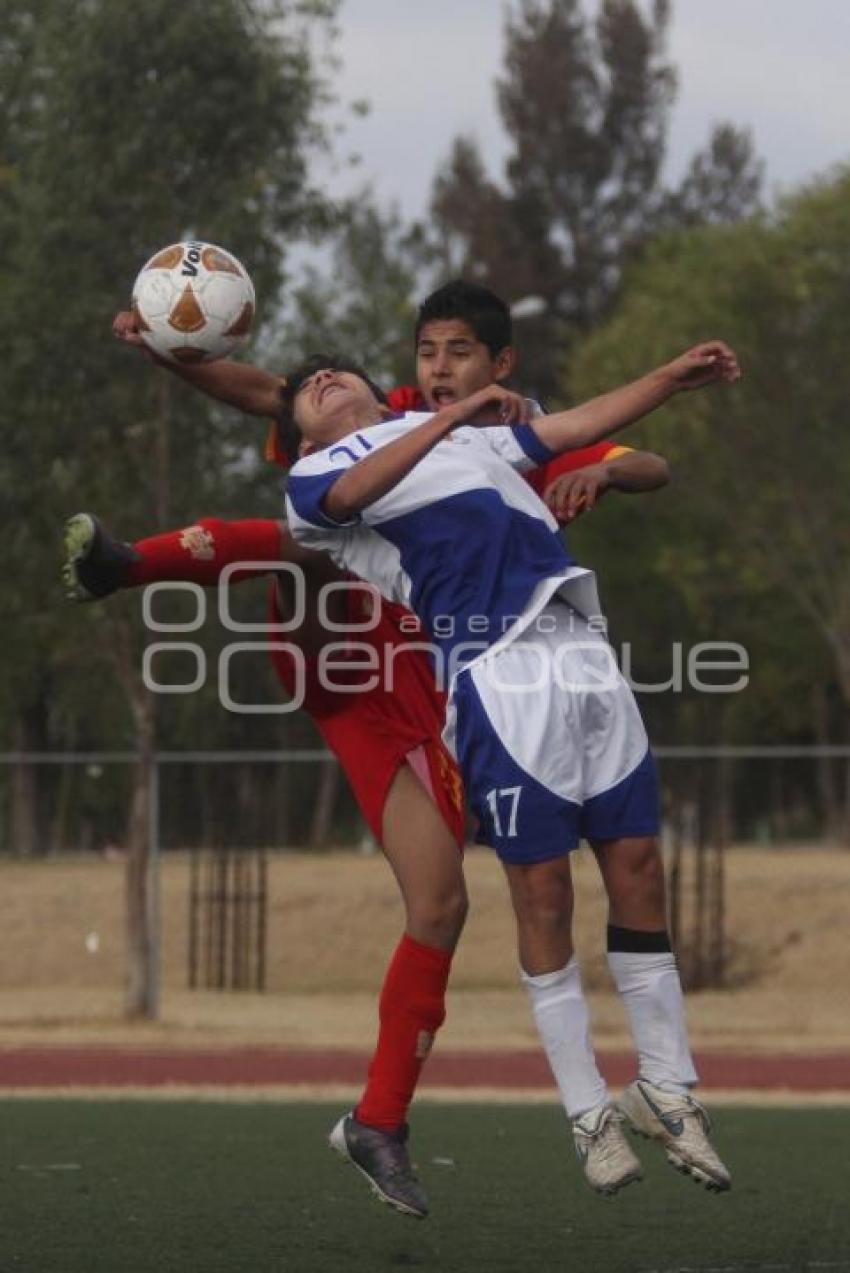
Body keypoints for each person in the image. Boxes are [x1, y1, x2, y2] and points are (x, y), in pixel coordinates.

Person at [63, 282, 671, 1213]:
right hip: (351, 674)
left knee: (441, 903)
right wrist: (166, 350)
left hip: (456, 680)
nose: (438, 369)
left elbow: (633, 454)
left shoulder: (487, 428)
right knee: (300, 544)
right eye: (430, 352)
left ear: (492, 364)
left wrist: (609, 469)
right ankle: (129, 562)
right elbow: (270, 390)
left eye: (458, 354)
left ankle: (378, 1121)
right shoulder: (355, 443)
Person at [283, 342, 739, 1197]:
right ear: (305, 438)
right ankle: (588, 1113)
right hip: (494, 671)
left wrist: (669, 379)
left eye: (334, 368)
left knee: (640, 868)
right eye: (308, 388)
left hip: (581, 648)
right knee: (543, 894)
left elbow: (574, 425)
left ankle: (668, 1089)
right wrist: (453, 414)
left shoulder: (455, 436)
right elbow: (352, 494)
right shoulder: (321, 479)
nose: (321, 377)